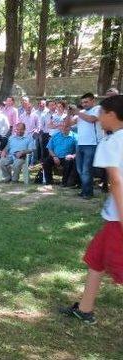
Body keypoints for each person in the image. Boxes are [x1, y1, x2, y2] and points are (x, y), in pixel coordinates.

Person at [59, 95, 123, 325]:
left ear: (111, 115)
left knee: (118, 267)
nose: (98, 118)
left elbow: (115, 181)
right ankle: (85, 309)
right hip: (113, 218)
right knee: (95, 259)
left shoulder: (112, 142)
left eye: (101, 113)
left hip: (119, 218)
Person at [68, 93, 103, 199]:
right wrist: (68, 113)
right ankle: (85, 190)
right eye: (82, 102)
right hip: (80, 144)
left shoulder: (98, 108)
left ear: (93, 101)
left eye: (86, 102)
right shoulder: (81, 112)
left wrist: (77, 112)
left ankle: (87, 193)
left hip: (92, 144)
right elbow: (68, 124)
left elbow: (92, 119)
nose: (84, 104)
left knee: (86, 169)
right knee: (80, 170)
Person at [42, 121, 78, 186]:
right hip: (55, 156)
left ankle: (64, 182)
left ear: (70, 127)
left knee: (68, 162)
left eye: (66, 126)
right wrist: (54, 156)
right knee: (46, 162)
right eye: (62, 126)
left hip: (67, 157)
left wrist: (72, 156)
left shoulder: (75, 137)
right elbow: (49, 148)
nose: (64, 128)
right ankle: (49, 182)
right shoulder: (55, 135)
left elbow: (78, 151)